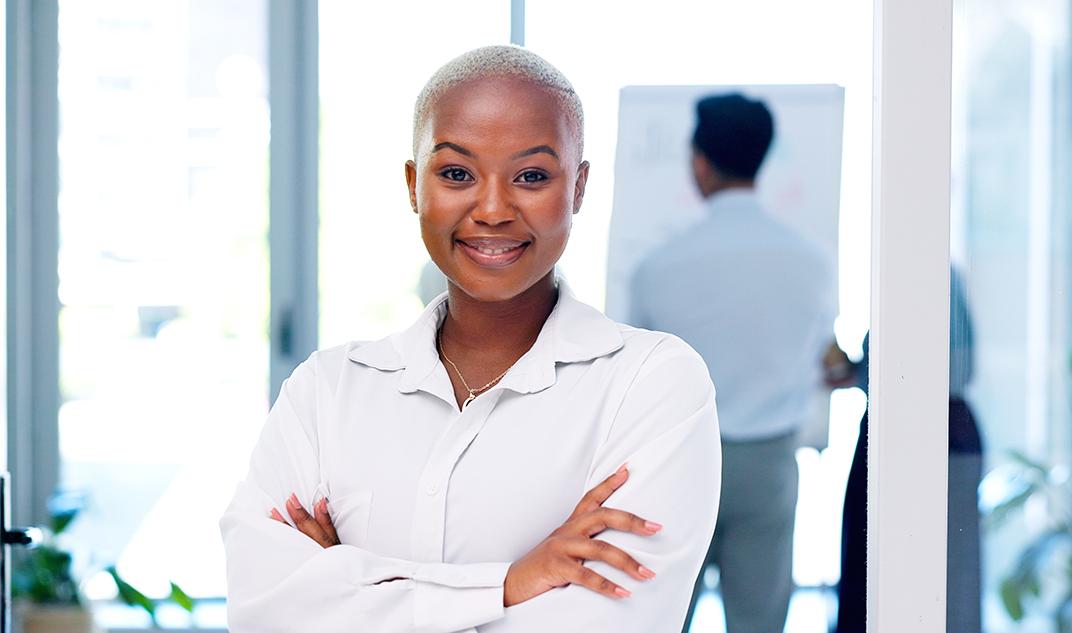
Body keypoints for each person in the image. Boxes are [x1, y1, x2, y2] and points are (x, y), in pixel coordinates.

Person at [220, 45, 721, 632]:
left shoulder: (651, 383)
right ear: (414, 185)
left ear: (578, 187)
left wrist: (350, 583)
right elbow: (264, 610)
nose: (492, 209)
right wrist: (508, 584)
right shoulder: (325, 393)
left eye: (531, 176)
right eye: (456, 173)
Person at [627, 93, 834, 633]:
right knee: (761, 623)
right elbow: (823, 357)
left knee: (664, 619)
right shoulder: (810, 264)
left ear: (699, 161)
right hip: (769, 466)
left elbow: (636, 378)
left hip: (680, 464)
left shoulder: (658, 267)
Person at [829, 266, 983, 633]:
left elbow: (948, 368)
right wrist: (856, 371)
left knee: (943, 570)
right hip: (910, 428)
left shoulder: (930, 269)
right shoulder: (911, 270)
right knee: (877, 564)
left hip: (934, 430)